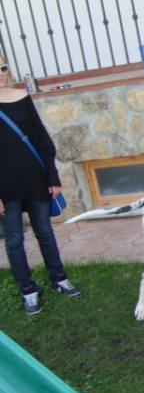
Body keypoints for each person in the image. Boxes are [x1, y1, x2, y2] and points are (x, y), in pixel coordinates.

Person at [0, 61, 80, 315]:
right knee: (14, 240)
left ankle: (58, 278)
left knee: (44, 232)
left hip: (36, 180)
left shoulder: (22, 97)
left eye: (2, 67)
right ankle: (29, 291)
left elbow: (41, 138)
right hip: (5, 187)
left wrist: (52, 176)